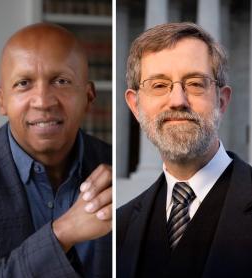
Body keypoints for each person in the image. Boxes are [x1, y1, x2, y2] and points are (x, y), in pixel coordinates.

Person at [0, 23, 112, 277]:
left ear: (89, 97)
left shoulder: (116, 171)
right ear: (1, 100)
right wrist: (62, 234)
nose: (43, 102)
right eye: (24, 83)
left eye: (61, 81)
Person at [117, 22, 252, 278]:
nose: (178, 100)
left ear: (221, 100)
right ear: (135, 106)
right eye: (158, 85)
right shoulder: (119, 226)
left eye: (195, 83)